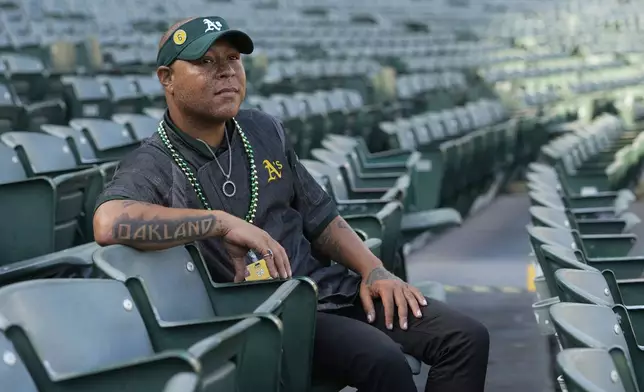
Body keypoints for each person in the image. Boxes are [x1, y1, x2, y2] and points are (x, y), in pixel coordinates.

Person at [93, 15, 489, 392]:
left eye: (233, 59)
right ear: (167, 79)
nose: (226, 71)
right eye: (204, 62)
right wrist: (218, 222)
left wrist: (374, 270)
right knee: (383, 360)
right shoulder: (153, 162)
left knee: (465, 338)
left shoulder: (262, 128)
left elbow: (322, 217)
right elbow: (108, 222)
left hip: (330, 290)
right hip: (271, 314)